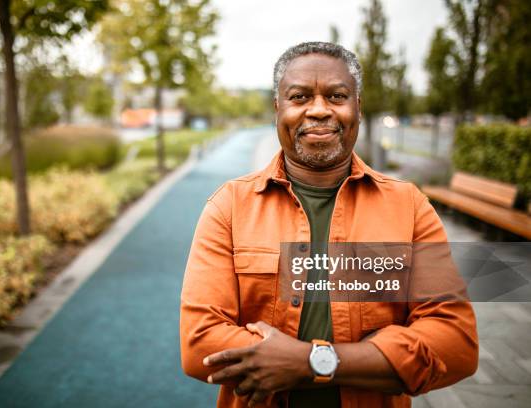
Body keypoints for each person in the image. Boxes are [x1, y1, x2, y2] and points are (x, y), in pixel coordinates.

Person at [180, 42, 478, 408]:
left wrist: (311, 363)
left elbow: (456, 342)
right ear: (279, 108)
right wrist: (380, 358)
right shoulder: (229, 206)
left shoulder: (409, 207)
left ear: (358, 108)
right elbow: (200, 345)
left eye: (337, 96)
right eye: (299, 97)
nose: (319, 110)